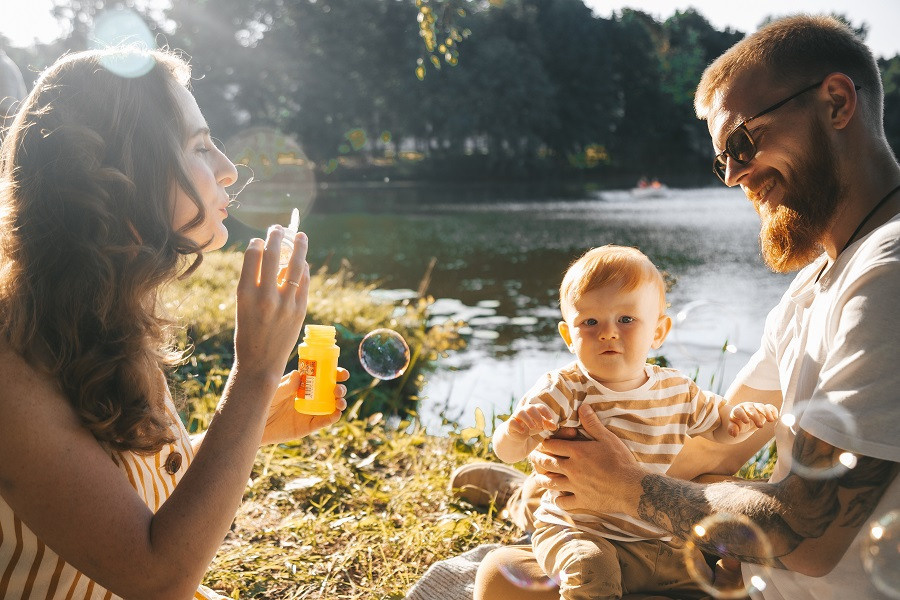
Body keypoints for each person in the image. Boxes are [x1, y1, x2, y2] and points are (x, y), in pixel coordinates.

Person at [471, 14, 900, 600]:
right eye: (722, 157)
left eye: (742, 143)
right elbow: (716, 444)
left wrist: (626, 490)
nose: (732, 176)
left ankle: (522, 498)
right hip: (744, 573)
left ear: (835, 102)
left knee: (500, 580)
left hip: (790, 582)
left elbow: (809, 530)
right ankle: (527, 495)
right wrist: (579, 488)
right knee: (523, 566)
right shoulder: (818, 281)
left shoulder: (887, 276)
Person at [0, 48, 348, 599]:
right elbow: (157, 576)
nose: (229, 168)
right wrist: (254, 373)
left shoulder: (108, 309)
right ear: (124, 176)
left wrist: (253, 424)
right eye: (200, 146)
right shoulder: (9, 361)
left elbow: (110, 492)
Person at [490, 245, 778, 599]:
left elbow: (718, 427)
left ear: (658, 332)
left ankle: (720, 579)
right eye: (590, 322)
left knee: (698, 582)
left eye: (626, 320)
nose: (608, 333)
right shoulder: (563, 389)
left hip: (654, 532)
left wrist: (737, 421)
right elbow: (507, 450)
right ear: (568, 337)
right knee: (590, 571)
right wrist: (516, 431)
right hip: (580, 531)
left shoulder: (676, 389)